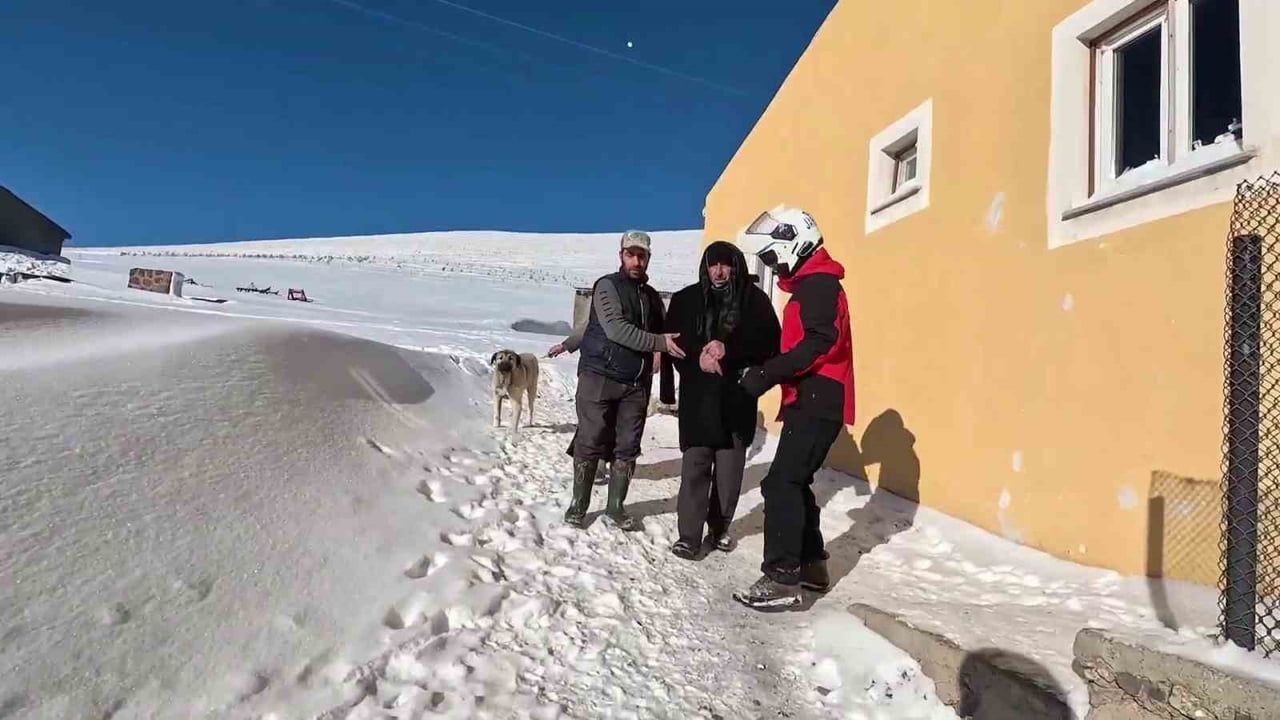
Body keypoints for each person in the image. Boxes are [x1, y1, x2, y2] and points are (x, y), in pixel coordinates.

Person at [733, 206, 855, 610]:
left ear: (794, 243)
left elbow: (819, 342)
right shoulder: (813, 283)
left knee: (780, 483)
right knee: (794, 481)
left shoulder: (819, 283)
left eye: (771, 256)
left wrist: (767, 374)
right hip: (815, 397)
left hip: (819, 397)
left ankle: (782, 577)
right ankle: (812, 566)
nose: (770, 264)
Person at [547, 230, 685, 530]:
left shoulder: (650, 297)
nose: (636, 260)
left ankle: (616, 506)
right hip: (599, 374)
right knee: (591, 437)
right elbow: (612, 329)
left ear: (648, 259)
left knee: (628, 445)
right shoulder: (607, 286)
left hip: (635, 383)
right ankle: (579, 504)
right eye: (630, 254)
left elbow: (662, 331)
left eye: (642, 255)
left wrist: (662, 351)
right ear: (621, 255)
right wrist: (570, 344)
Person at [663, 241, 780, 559]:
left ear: (736, 266)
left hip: (736, 398)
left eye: (725, 264)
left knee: (729, 474)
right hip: (698, 398)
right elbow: (673, 343)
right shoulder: (686, 300)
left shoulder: (755, 301)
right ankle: (688, 535)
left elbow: (769, 343)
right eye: (713, 264)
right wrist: (695, 361)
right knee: (695, 467)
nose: (718, 271)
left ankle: (719, 529)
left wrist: (730, 351)